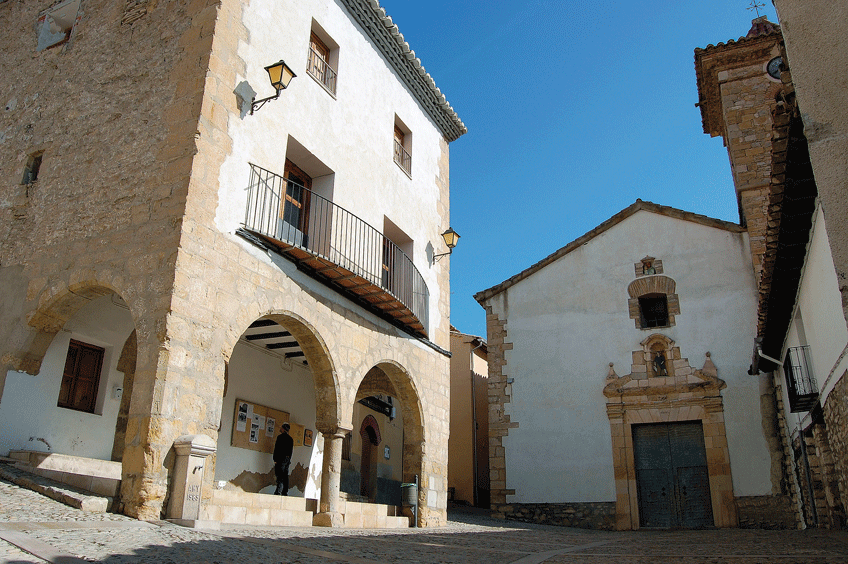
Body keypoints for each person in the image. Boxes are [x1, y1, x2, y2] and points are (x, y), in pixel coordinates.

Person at [273, 422, 294, 495]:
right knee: (285, 476)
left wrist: (275, 459)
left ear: (283, 429)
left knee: (280, 475)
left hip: (280, 459)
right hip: (287, 459)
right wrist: (288, 459)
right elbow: (291, 451)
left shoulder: (280, 437)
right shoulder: (290, 439)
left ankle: (278, 491)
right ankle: (285, 492)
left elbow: (277, 449)